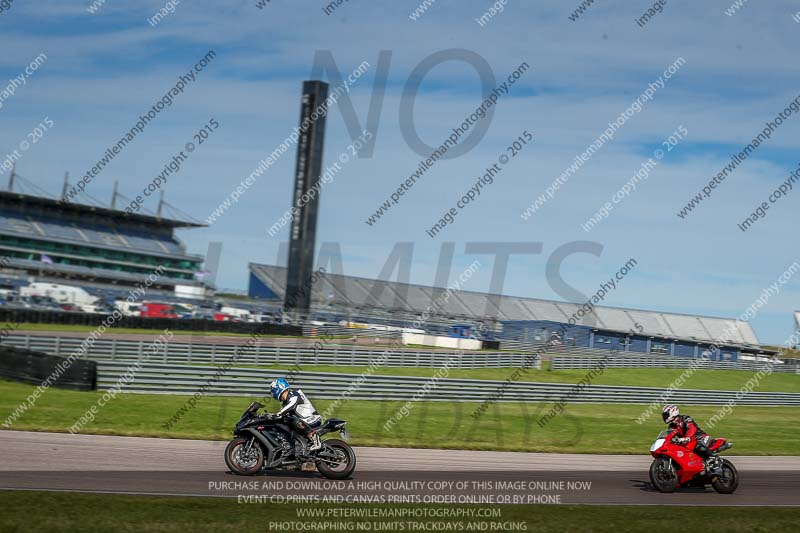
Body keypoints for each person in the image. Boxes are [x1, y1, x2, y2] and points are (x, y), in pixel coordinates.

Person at [661, 404, 721, 475]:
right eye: (664, 415)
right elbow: (670, 435)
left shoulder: (685, 418)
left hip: (700, 437)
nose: (665, 417)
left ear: (673, 412)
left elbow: (692, 428)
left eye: (666, 415)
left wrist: (687, 437)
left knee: (698, 446)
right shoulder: (672, 426)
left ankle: (715, 459)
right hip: (688, 442)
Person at [270, 377, 323, 452]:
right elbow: (283, 413)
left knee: (296, 421)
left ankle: (316, 441)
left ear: (279, 387)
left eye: (273, 390)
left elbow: (292, 405)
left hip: (313, 418)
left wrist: (279, 413)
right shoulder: (285, 402)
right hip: (305, 421)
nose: (272, 393)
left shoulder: (293, 393)